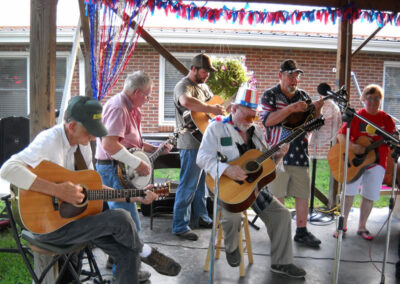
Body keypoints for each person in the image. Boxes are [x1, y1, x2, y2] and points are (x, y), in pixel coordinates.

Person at [0, 96, 181, 284]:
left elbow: (94, 189)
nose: (94, 138)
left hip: (77, 221)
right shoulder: (49, 140)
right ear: (72, 127)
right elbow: (7, 169)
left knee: (128, 252)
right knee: (120, 217)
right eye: (89, 132)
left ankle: (140, 251)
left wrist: (135, 197)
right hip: (48, 227)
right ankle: (146, 251)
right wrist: (58, 190)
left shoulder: (82, 145)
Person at [196, 86, 306, 278]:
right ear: (234, 110)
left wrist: (278, 156)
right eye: (247, 116)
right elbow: (202, 158)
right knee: (232, 217)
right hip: (225, 187)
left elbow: (265, 166)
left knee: (282, 215)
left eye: (254, 117)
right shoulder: (216, 127)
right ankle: (231, 248)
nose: (251, 121)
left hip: (252, 188)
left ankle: (281, 262)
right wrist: (227, 169)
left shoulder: (256, 132)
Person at [95, 71, 173, 281]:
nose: (148, 100)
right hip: (112, 169)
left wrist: (153, 148)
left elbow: (131, 144)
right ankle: (126, 272)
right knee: (129, 223)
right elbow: (110, 145)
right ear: (136, 92)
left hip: (119, 168)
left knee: (125, 218)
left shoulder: (130, 107)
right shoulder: (117, 107)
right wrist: (138, 163)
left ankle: (116, 259)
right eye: (147, 95)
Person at [259, 59, 324, 248]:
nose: (294, 79)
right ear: (280, 76)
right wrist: (290, 109)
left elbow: (314, 125)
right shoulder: (270, 95)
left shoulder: (304, 96)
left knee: (302, 193)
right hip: (277, 155)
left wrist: (317, 113)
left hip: (300, 153)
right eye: (290, 75)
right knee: (277, 194)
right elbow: (267, 121)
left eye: (297, 76)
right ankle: (280, 232)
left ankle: (302, 231)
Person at [172, 53, 225, 241]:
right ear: (194, 69)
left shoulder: (203, 87)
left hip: (204, 141)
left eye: (209, 72)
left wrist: (217, 110)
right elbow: (186, 102)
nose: (207, 75)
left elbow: (214, 104)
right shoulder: (183, 86)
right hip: (190, 142)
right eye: (205, 71)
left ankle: (201, 217)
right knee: (188, 184)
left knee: (200, 184)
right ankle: (179, 225)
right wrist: (211, 110)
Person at [333, 84, 396, 240]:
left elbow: (394, 138)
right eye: (369, 98)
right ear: (363, 100)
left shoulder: (386, 119)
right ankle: (343, 225)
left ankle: (362, 227)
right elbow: (341, 136)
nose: (373, 101)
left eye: (376, 98)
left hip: (378, 161)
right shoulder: (357, 116)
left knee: (369, 195)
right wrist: (353, 146)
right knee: (348, 193)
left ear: (380, 100)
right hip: (355, 162)